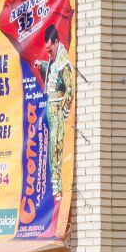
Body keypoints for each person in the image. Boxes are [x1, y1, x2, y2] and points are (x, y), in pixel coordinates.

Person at [36, 24, 74, 204]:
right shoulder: (54, 60)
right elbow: (51, 72)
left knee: (56, 147)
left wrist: (64, 110)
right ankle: (55, 187)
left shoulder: (64, 63)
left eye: (50, 48)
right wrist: (42, 65)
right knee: (52, 146)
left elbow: (69, 90)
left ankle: (58, 189)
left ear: (57, 42)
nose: (48, 52)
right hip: (52, 109)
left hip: (57, 109)